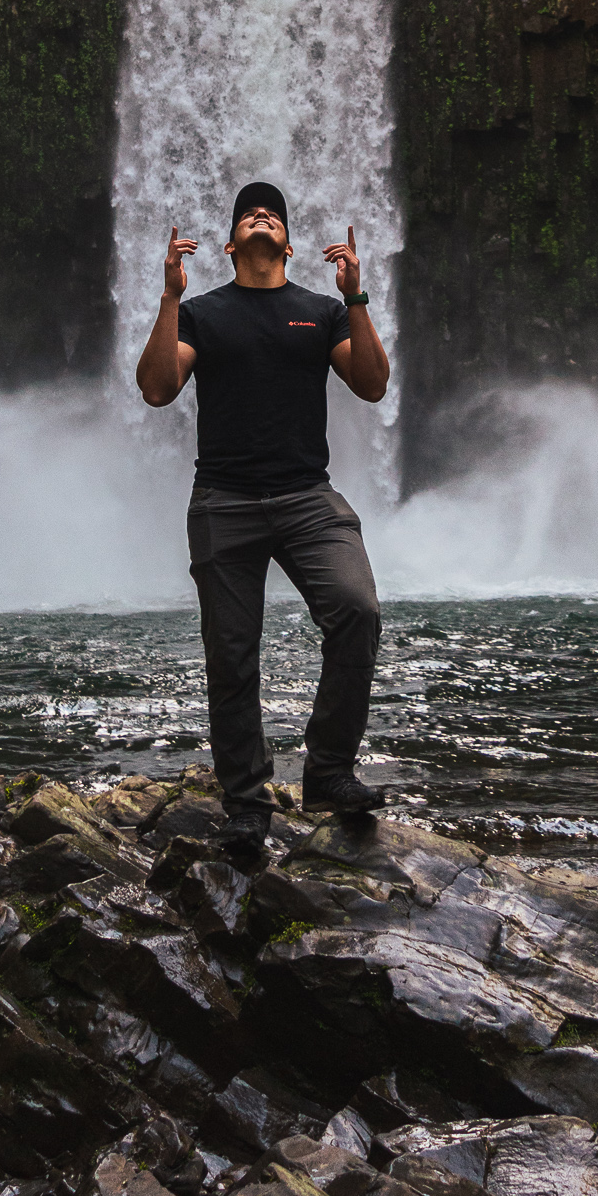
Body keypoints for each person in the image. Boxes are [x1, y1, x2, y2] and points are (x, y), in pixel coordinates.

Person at [135, 181, 392, 859]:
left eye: (273, 213)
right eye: (250, 212)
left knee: (356, 608)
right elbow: (158, 388)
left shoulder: (318, 310)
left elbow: (370, 384)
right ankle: (246, 805)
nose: (262, 215)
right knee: (231, 655)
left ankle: (329, 771)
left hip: (308, 497)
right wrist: (167, 297)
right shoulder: (200, 312)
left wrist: (355, 297)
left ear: (286, 242)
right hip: (223, 500)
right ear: (228, 245)